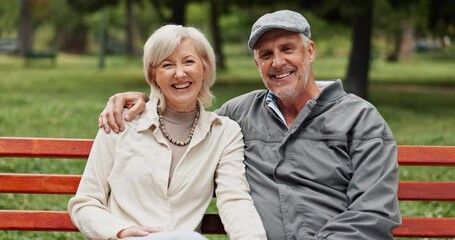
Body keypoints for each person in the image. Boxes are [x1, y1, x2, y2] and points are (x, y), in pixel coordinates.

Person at [98, 10, 402, 239]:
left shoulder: (360, 119)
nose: (277, 62)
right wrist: (140, 99)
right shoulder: (238, 115)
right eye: (266, 55)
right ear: (257, 64)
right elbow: (184, 112)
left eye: (287, 49)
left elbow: (373, 211)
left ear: (310, 51)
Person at [68, 24, 266, 240]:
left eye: (189, 61)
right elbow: (86, 202)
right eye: (167, 65)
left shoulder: (224, 134)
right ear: (154, 74)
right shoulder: (123, 122)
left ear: (205, 68)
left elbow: (235, 201)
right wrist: (120, 231)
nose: (180, 74)